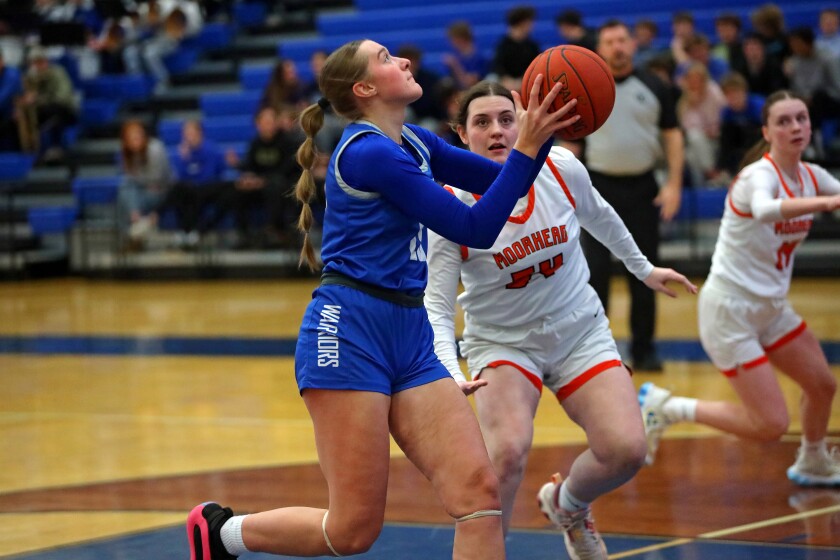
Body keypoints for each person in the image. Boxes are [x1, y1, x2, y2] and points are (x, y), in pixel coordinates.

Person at [186, 38, 581, 559]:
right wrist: (529, 145)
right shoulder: (369, 153)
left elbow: (509, 179)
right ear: (365, 88)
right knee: (351, 531)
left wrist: (545, 130)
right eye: (387, 59)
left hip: (408, 333)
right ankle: (221, 534)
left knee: (479, 494)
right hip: (349, 333)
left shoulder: (414, 141)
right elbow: (475, 225)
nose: (405, 61)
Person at [426, 81, 697, 560]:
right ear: (460, 135)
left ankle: (568, 505)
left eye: (507, 119)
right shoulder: (448, 205)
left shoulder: (559, 166)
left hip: (578, 329)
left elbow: (602, 216)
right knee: (505, 453)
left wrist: (644, 268)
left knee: (626, 449)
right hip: (505, 343)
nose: (497, 131)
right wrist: (450, 371)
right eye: (482, 122)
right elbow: (437, 305)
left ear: (525, 122)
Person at [640, 91, 840, 486]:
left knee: (822, 385)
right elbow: (766, 210)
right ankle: (668, 407)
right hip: (729, 311)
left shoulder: (813, 176)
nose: (796, 127)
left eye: (802, 118)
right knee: (770, 425)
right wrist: (828, 203)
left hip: (771, 308)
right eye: (784, 121)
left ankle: (813, 460)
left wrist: (828, 197)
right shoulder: (758, 176)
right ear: (767, 131)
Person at [581, 20, 685, 372]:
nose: (618, 47)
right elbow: (572, 143)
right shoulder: (588, 87)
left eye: (622, 40)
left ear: (633, 45)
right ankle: (599, 351)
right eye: (609, 41)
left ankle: (644, 349)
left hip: (642, 189)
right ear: (600, 48)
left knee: (645, 272)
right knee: (594, 275)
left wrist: (673, 184)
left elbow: (672, 135)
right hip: (596, 189)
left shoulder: (654, 84)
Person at [117, 119, 175, 246]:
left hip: (162, 193)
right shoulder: (127, 154)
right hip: (141, 191)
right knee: (124, 191)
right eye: (131, 138)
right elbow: (129, 178)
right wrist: (140, 182)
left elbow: (158, 179)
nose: (135, 140)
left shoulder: (156, 149)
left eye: (138, 136)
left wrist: (139, 181)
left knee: (127, 194)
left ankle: (132, 234)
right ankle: (135, 220)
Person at [492, 5, 541, 92]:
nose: (533, 25)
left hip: (525, 81)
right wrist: (506, 80)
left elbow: (536, 67)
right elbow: (497, 66)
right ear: (522, 23)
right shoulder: (502, 45)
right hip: (505, 82)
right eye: (530, 21)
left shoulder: (532, 46)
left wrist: (522, 81)